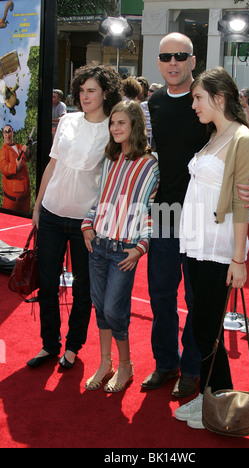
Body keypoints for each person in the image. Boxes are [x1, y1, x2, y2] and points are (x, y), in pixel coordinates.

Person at [141, 33, 249, 398]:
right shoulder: (156, 103)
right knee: (161, 293)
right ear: (160, 62)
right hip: (167, 210)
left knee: (199, 301)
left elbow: (246, 146)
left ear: (193, 60)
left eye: (180, 55)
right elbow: (151, 152)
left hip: (205, 217)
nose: (172, 62)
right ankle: (165, 363)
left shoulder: (209, 101)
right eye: (165, 56)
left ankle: (193, 372)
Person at [175, 67, 249, 429]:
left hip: (217, 249)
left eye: (198, 97)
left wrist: (238, 259)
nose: (194, 104)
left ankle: (219, 398)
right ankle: (210, 395)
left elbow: (244, 201)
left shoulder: (242, 139)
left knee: (206, 328)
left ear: (219, 99)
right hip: (195, 247)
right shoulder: (213, 136)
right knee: (202, 326)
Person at [26, 63, 122, 369]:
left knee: (83, 287)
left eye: (91, 90)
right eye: (81, 90)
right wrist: (38, 205)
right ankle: (49, 344)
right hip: (53, 214)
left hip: (86, 224)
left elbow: (116, 178)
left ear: (106, 92)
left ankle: (73, 347)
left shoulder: (113, 129)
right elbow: (52, 165)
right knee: (48, 284)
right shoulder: (66, 120)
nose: (84, 95)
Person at [82, 100, 160, 393]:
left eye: (121, 123)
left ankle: (125, 366)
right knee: (100, 307)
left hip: (124, 249)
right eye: (113, 123)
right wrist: (87, 226)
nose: (115, 128)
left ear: (135, 126)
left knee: (115, 310)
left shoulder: (150, 165)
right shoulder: (109, 159)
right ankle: (106, 363)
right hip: (97, 245)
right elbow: (99, 199)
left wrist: (141, 247)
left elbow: (152, 210)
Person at [0, 124, 31, 212]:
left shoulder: (18, 146)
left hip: (25, 199)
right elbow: (4, 169)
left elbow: (27, 157)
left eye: (9, 131)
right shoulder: (4, 150)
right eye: (5, 132)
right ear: (3, 135)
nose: (7, 134)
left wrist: (27, 152)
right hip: (12, 201)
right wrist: (16, 167)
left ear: (12, 132)